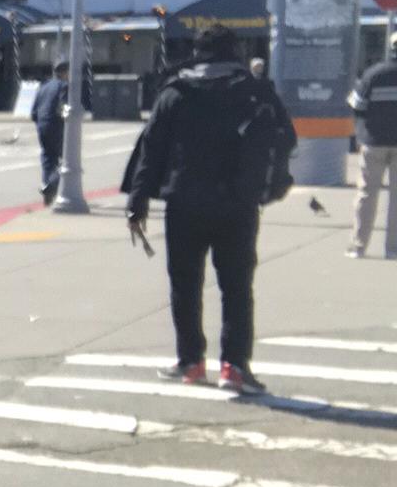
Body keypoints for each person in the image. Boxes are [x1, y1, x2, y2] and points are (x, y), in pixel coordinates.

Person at [125, 23, 295, 395]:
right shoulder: (255, 91)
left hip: (184, 202)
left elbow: (151, 149)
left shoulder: (176, 92)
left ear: (197, 52)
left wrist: (137, 201)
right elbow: (286, 138)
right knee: (236, 286)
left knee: (185, 284)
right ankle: (234, 367)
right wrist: (270, 185)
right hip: (238, 203)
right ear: (234, 51)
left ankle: (191, 362)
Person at [345, 31, 397, 259]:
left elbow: (357, 105)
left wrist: (362, 132)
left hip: (373, 142)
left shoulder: (373, 74)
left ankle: (359, 246)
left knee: (367, 193)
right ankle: (393, 249)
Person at [32, 59, 70, 206]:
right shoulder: (64, 86)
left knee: (47, 158)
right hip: (55, 125)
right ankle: (51, 185)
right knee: (66, 159)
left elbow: (34, 112)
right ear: (65, 72)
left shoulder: (44, 86)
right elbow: (62, 107)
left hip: (42, 124)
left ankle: (46, 185)